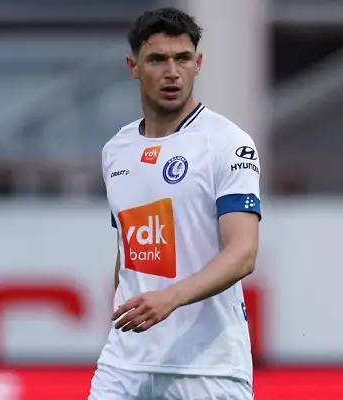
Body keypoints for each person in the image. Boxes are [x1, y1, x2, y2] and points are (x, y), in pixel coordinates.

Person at [88, 7, 261, 400]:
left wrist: (170, 298)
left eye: (182, 59)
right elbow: (127, 250)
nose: (172, 71)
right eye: (157, 60)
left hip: (208, 365)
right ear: (133, 66)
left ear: (197, 63)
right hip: (125, 364)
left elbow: (243, 253)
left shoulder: (227, 143)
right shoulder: (116, 151)